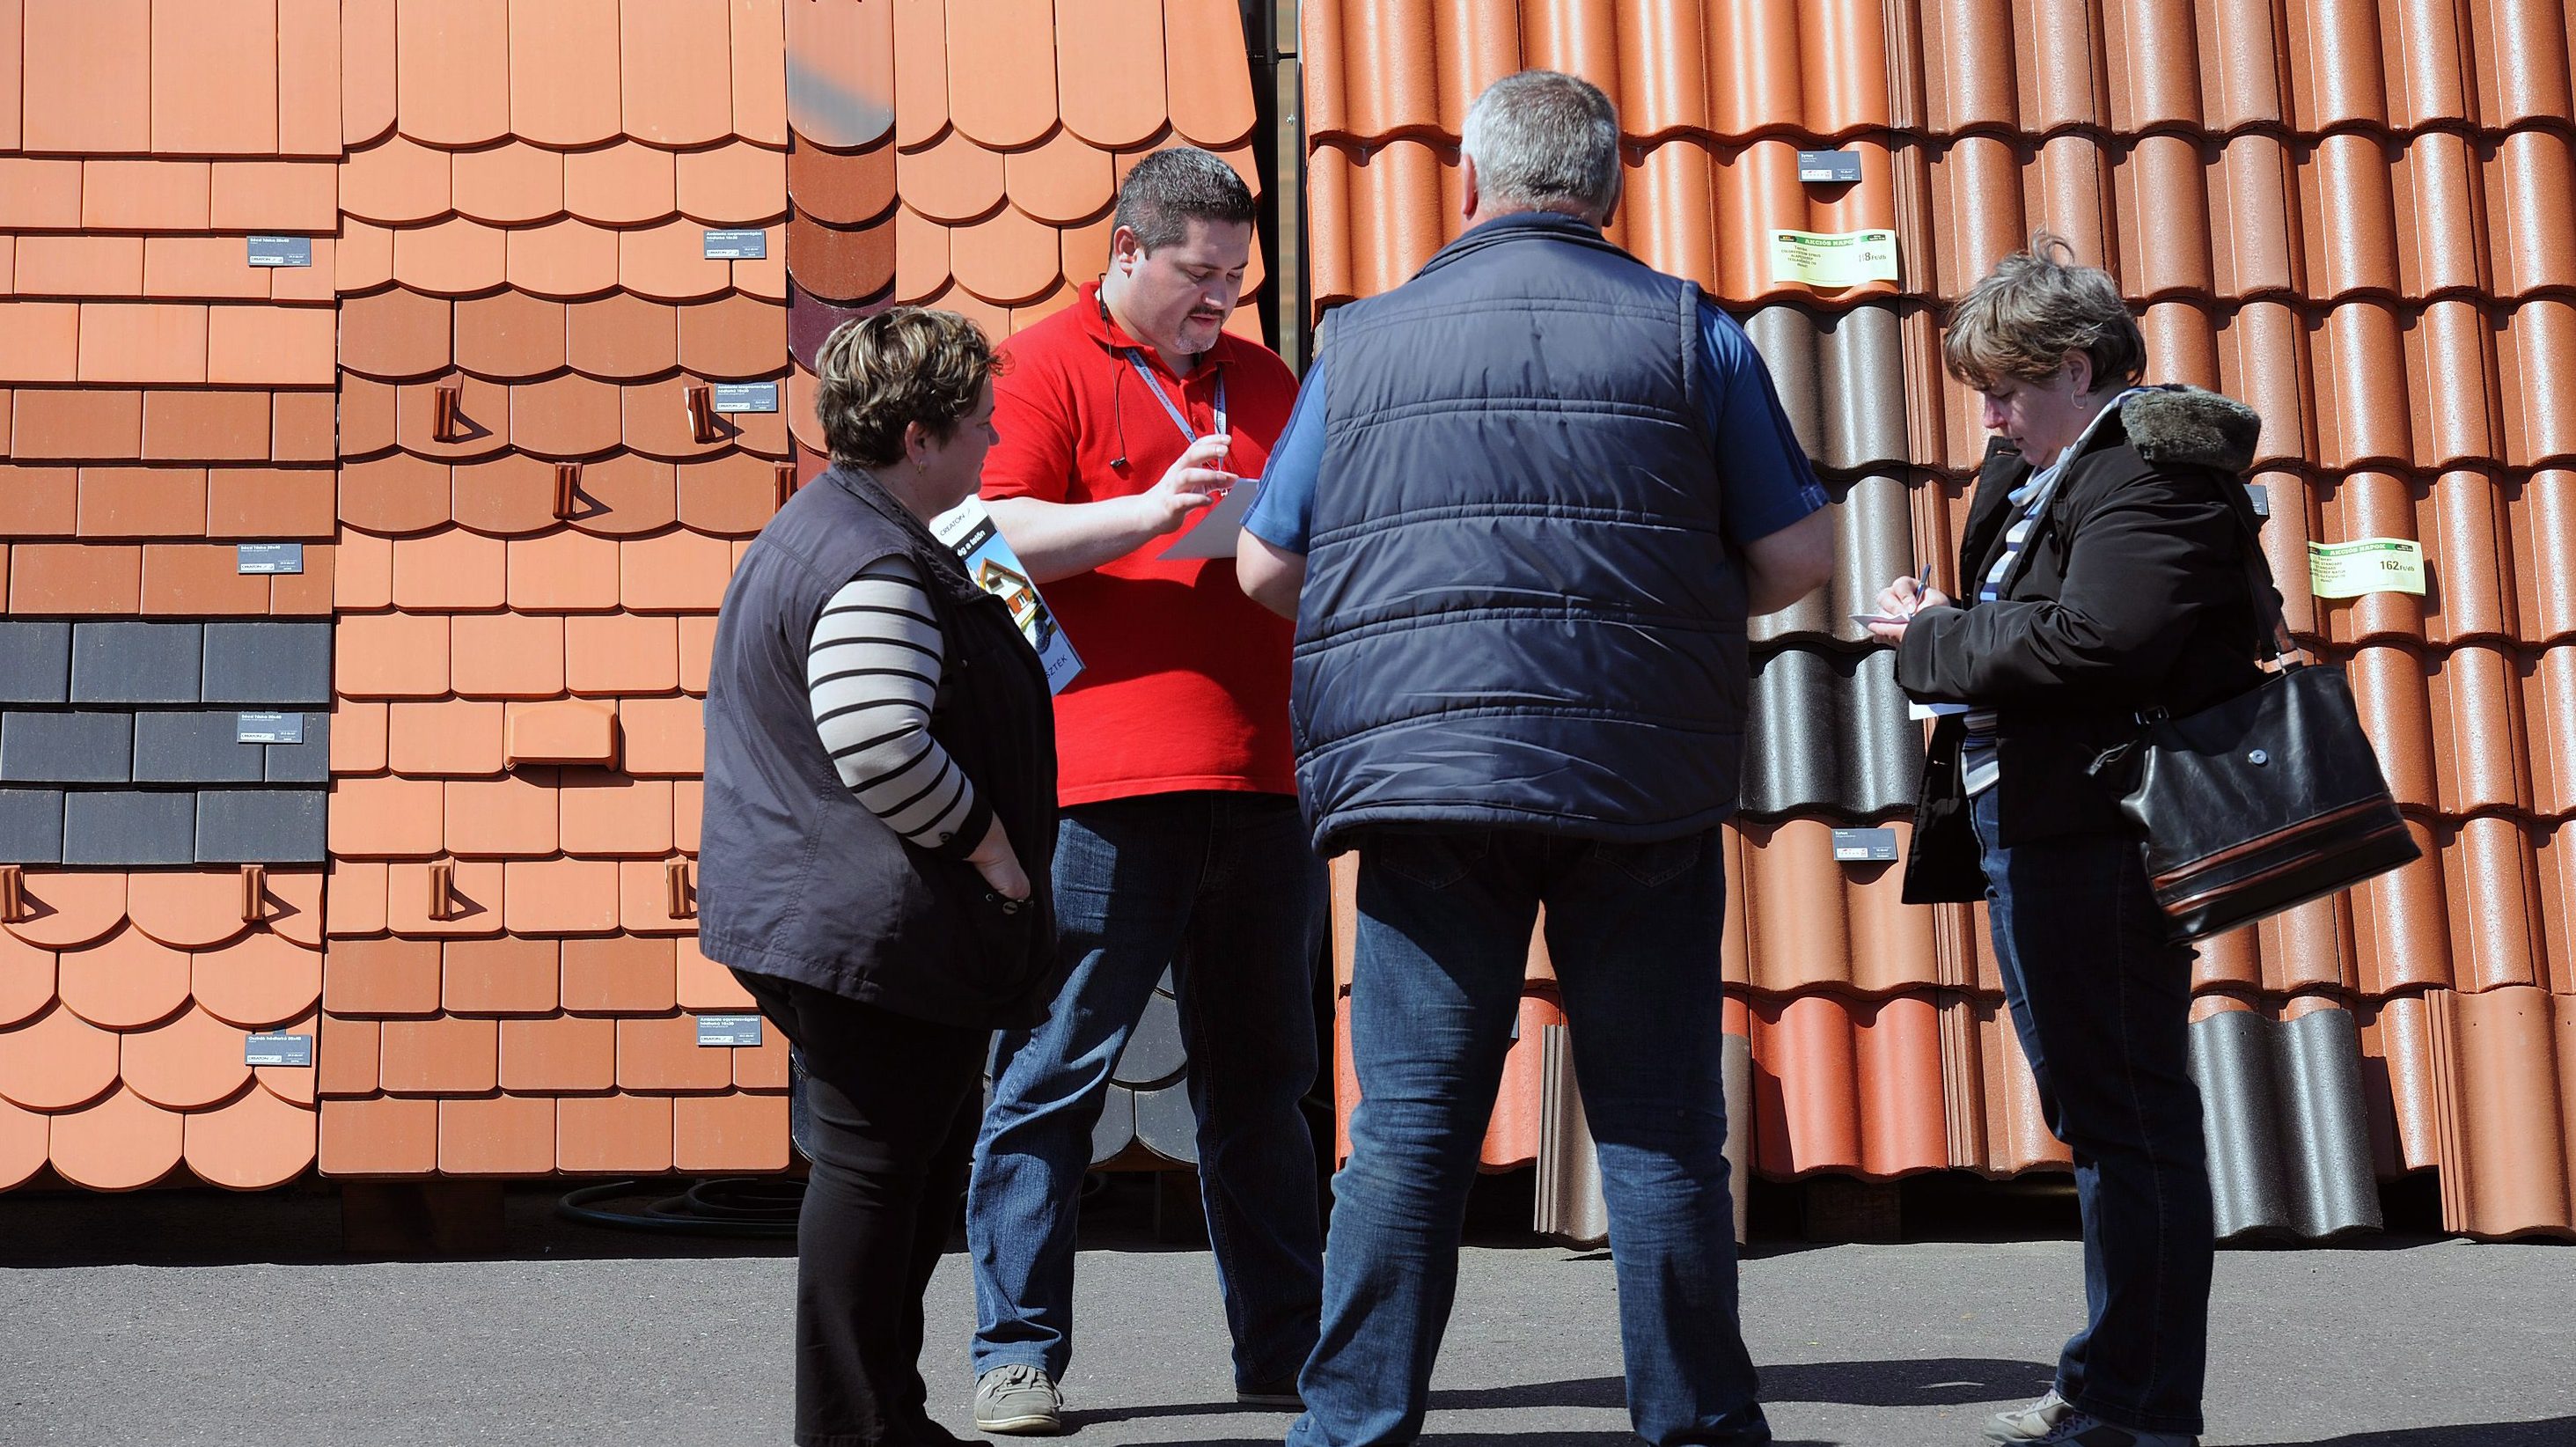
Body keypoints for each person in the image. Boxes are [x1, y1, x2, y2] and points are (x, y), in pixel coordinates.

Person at [1237, 70, 1834, 1447]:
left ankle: (1349, 1428)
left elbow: (1270, 564)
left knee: (1406, 1132)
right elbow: (1799, 554)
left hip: (1428, 778)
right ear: (1610, 188)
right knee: (1661, 1134)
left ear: (1469, 184)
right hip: (1637, 778)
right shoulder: (1691, 331)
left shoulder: (1366, 341)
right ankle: (1695, 1427)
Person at [1868, 233, 2268, 1447]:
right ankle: (2114, 1383)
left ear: (2082, 367)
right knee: (2099, 1109)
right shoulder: (2060, 465)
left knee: (2128, 1114)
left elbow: (2100, 640)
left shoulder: (2150, 469)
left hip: (2099, 830)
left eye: (2008, 388)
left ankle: (2141, 1406)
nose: (1990, 417)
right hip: (2037, 821)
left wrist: (1930, 639)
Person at [964, 145, 1327, 1434]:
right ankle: (1014, 1353)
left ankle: (1285, 1351)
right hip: (1106, 778)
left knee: (1264, 1086)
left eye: (1235, 278)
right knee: (1054, 1068)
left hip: (1262, 773)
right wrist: (1152, 516)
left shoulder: (1270, 378)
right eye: (1197, 274)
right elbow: (989, 536)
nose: (1219, 300)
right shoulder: (1043, 365)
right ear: (1126, 253)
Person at [695, 308, 1060, 1447]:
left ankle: (882, 1418)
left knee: (896, 1174)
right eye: (978, 427)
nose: (993, 443)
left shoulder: (835, 527)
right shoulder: (874, 558)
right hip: (869, 928)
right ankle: (856, 1429)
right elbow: (879, 741)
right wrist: (991, 847)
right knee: (874, 1179)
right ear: (918, 437)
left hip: (840, 916)